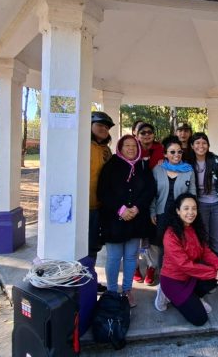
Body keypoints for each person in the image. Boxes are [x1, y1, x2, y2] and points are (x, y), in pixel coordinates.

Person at [97, 135, 155, 307]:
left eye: (134, 146)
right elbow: (103, 191)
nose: (131, 149)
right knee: (114, 258)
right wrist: (120, 209)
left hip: (136, 220)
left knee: (131, 257)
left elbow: (150, 190)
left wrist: (137, 208)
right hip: (114, 220)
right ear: (120, 148)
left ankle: (127, 290)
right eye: (127, 145)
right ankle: (112, 291)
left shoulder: (142, 166)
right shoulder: (111, 165)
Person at [154, 193, 218, 326]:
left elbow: (206, 252)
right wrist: (212, 272)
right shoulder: (171, 234)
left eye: (194, 208)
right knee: (200, 319)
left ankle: (195, 297)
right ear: (178, 211)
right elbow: (184, 265)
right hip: (173, 281)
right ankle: (164, 293)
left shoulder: (195, 228)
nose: (191, 212)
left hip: (191, 277)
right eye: (186, 208)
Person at [148, 136, 196, 285]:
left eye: (179, 152)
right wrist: (152, 211)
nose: (176, 155)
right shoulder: (158, 169)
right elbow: (152, 194)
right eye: (172, 152)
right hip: (161, 213)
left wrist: (190, 213)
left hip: (180, 215)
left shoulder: (188, 170)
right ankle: (161, 276)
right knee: (161, 246)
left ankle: (177, 277)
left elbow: (192, 192)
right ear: (165, 154)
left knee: (179, 246)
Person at [190, 132, 218, 257]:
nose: (201, 146)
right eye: (197, 143)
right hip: (199, 206)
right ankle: (204, 268)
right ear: (192, 146)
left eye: (204, 143)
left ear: (208, 145)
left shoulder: (216, 161)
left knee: (217, 241)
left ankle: (217, 267)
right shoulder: (188, 163)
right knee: (202, 240)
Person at [133, 122, 164, 285]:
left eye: (149, 132)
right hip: (135, 200)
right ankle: (135, 267)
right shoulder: (132, 149)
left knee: (153, 237)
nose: (146, 135)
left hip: (155, 199)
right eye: (143, 132)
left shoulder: (162, 150)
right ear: (137, 135)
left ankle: (152, 266)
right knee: (135, 237)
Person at [90, 111, 115, 291]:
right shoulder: (82, 145)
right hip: (83, 205)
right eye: (100, 125)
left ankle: (90, 280)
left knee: (94, 245)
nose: (104, 129)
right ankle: (82, 281)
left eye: (106, 127)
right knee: (82, 246)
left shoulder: (106, 150)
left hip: (100, 205)